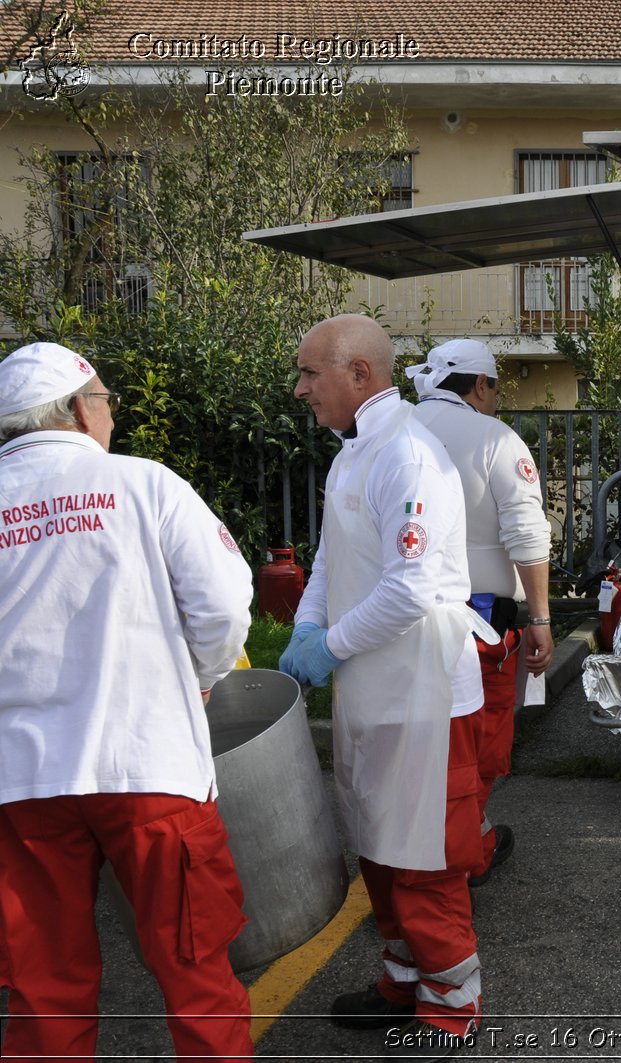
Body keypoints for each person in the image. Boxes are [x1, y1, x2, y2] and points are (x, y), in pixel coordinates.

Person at [0, 341, 256, 1060]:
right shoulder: (143, 484)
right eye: (109, 399)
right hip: (147, 767)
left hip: (22, 783)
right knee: (197, 974)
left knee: (43, 987)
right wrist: (199, 680)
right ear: (82, 408)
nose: (111, 413)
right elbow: (224, 606)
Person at [281, 314, 490, 1061]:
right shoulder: (354, 455)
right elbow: (334, 564)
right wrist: (308, 630)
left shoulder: (409, 455)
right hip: (373, 690)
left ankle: (453, 1006)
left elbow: (412, 589)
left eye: (311, 373)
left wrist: (328, 646)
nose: (301, 388)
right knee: (378, 843)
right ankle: (405, 979)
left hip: (423, 693)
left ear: (360, 374)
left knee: (423, 856)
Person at [406, 339, 553, 887]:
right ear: (481, 385)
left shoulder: (395, 433)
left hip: (397, 623)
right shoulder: (496, 439)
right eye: (495, 388)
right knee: (478, 747)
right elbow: (525, 532)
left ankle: (438, 847)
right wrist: (540, 616)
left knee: (416, 749)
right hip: (480, 625)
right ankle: (462, 856)